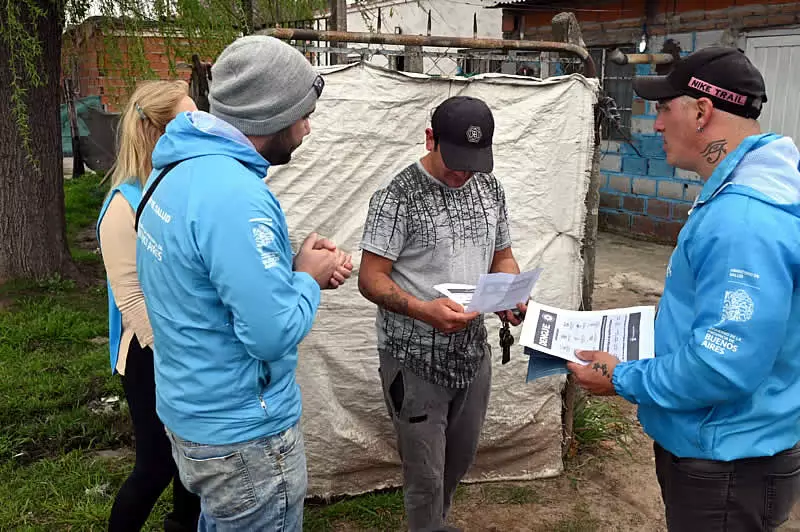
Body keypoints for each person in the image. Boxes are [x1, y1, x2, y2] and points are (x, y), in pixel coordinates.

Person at [568, 47, 800, 531]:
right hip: (731, 447)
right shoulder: (744, 192)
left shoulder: (744, 218)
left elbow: (722, 363)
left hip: (725, 459)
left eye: (663, 108)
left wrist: (622, 377)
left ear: (701, 111)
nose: (655, 125)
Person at [135, 36, 352, 531]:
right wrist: (306, 279)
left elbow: (201, 283)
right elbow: (271, 333)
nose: (308, 127)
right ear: (270, 113)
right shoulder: (236, 195)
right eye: (302, 113)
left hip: (191, 413)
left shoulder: (173, 170)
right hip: (244, 437)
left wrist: (290, 267)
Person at [358, 96, 525, 532]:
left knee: (459, 461)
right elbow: (370, 278)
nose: (462, 174)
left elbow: (503, 257)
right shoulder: (397, 197)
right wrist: (421, 310)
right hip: (413, 361)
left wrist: (510, 291)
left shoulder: (489, 188)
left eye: (473, 163)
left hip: (472, 353)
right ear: (430, 138)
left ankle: (435, 524)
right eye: (454, 161)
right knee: (425, 476)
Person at [97, 80, 200, 532]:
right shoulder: (124, 205)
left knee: (191, 462)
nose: (201, 127)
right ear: (157, 132)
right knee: (156, 464)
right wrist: (180, 356)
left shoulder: (179, 187)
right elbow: (132, 301)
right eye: (188, 120)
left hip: (184, 346)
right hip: (149, 353)